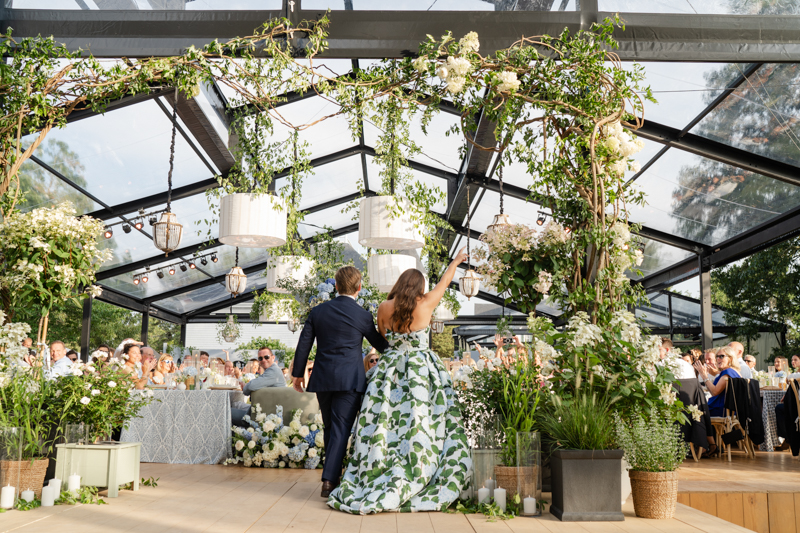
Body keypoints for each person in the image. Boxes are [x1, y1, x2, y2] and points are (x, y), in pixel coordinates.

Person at [327, 249, 471, 514]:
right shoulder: (426, 303)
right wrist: (457, 261)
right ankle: (420, 463)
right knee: (422, 419)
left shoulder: (383, 307)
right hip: (420, 370)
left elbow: (382, 339)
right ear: (419, 287)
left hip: (389, 372)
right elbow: (446, 282)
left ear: (399, 284)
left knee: (384, 420)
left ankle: (380, 463)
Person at [291, 265, 391, 501]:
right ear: (359, 287)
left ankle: (332, 478)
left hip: (324, 378)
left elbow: (303, 343)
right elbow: (380, 343)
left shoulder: (318, 312)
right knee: (339, 429)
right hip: (350, 380)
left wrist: (297, 374)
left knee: (332, 428)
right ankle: (328, 480)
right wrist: (391, 334)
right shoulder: (363, 315)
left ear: (335, 286)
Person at [695, 345, 741, 417]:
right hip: (729, 410)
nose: (718, 359)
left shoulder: (727, 373)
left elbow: (715, 392)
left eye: (721, 356)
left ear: (730, 358)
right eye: (717, 356)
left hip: (720, 410)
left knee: (693, 413)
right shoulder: (735, 372)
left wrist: (704, 375)